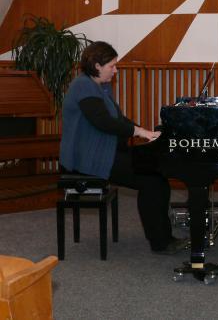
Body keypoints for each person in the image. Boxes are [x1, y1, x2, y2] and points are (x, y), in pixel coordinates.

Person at [59, 41, 187, 254]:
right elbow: (103, 122)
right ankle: (161, 242)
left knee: (156, 174)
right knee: (151, 180)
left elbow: (118, 119)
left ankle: (163, 238)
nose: (115, 70)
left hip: (104, 151)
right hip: (87, 159)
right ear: (97, 66)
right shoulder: (83, 86)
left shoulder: (99, 86)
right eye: (112, 66)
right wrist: (139, 132)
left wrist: (144, 131)